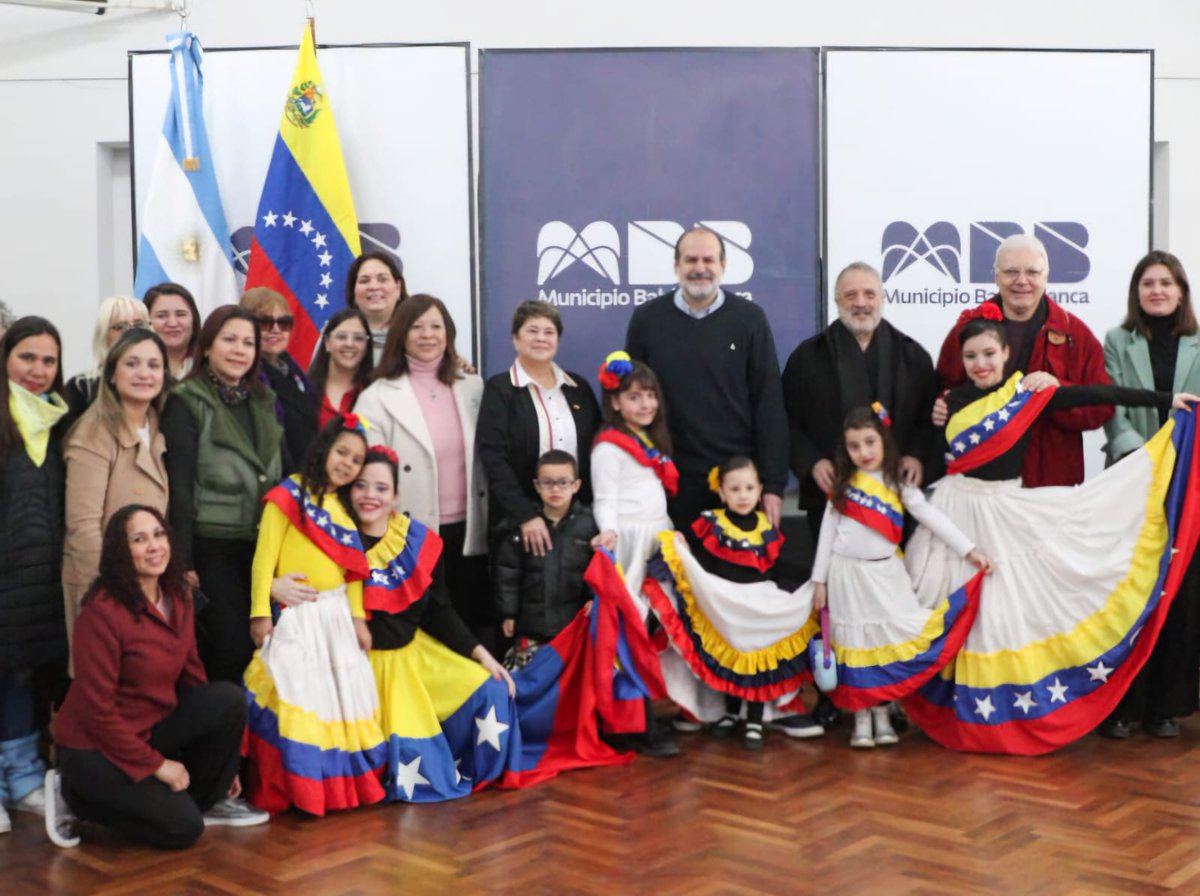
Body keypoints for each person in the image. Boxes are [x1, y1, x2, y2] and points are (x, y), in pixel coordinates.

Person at [904, 309, 1200, 754]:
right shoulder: (952, 401)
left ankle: (1005, 713)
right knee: (944, 611)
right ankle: (952, 707)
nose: (980, 362)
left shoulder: (1028, 392)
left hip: (1006, 514)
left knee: (1001, 619)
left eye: (988, 353)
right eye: (971, 356)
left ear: (1006, 354)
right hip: (953, 515)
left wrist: (1165, 400)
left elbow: (1097, 394)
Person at [48, 505, 267, 850]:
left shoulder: (177, 596)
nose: (154, 545)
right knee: (183, 829)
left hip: (147, 729)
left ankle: (180, 802)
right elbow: (97, 713)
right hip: (93, 748)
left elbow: (194, 677)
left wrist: (224, 768)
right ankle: (76, 798)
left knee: (228, 699)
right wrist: (158, 766)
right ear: (121, 552)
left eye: (159, 534)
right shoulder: (101, 613)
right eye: (139, 539)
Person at [344, 445, 516, 801]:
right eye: (361, 486)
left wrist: (482, 655)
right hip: (355, 671)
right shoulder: (333, 540)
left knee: (491, 689)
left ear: (395, 496)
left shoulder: (417, 542)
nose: (370, 496)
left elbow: (439, 612)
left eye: (381, 488)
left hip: (411, 660)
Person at [811, 408, 990, 749]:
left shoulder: (897, 483)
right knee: (856, 647)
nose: (863, 452)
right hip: (847, 575)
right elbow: (827, 533)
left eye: (869, 442)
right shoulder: (844, 486)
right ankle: (861, 717)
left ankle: (882, 710)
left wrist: (970, 550)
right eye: (854, 446)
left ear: (883, 441)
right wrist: (819, 581)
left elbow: (931, 517)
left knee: (890, 640)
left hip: (887, 575)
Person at [242, 415, 385, 815]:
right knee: (297, 697)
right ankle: (298, 791)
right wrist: (259, 613)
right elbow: (263, 559)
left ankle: (338, 790)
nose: (346, 464)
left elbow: (353, 572)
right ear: (324, 449)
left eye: (356, 460)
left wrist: (358, 620)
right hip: (299, 616)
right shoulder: (289, 495)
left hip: (336, 621)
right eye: (341, 452)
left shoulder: (343, 512)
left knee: (337, 706)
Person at [625, 227, 789, 530]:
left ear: (723, 266)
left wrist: (774, 484)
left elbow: (768, 403)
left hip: (737, 482)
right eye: (690, 260)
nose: (700, 268)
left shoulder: (750, 318)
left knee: (737, 576)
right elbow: (629, 401)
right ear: (677, 266)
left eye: (708, 260)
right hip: (668, 480)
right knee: (673, 574)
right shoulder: (647, 319)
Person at [1100, 250, 1200, 739]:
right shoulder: (1118, 340)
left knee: (1179, 598)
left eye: (1166, 282)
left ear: (1181, 291)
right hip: (1133, 479)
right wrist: (1140, 458)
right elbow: (1112, 403)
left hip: (1190, 489)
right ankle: (1120, 705)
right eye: (1147, 283)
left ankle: (1164, 706)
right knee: (1130, 592)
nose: (1156, 290)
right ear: (1136, 293)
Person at [354, 295, 491, 646]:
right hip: (409, 536)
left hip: (471, 532)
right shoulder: (376, 396)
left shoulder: (472, 386)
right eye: (417, 327)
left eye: (436, 326)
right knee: (427, 637)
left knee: (472, 630)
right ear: (401, 334)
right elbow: (368, 473)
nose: (428, 335)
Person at [161, 305, 283, 684]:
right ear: (208, 345)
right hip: (212, 547)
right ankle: (226, 740)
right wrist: (183, 562)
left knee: (270, 652)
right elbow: (179, 487)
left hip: (265, 546)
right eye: (229, 339)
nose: (239, 350)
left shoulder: (264, 399)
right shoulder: (186, 400)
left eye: (249, 342)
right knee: (229, 650)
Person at [934, 234, 1112, 487]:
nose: (1022, 281)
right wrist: (943, 404)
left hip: (1049, 482)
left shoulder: (1074, 334)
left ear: (1046, 276)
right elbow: (942, 387)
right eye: (1011, 272)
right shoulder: (968, 328)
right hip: (980, 483)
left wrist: (1057, 391)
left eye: (1032, 272)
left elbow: (1101, 407)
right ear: (996, 276)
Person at [783, 262, 941, 542]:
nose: (861, 303)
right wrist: (812, 462)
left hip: (894, 494)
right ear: (836, 301)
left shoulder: (913, 357)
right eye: (850, 295)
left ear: (882, 298)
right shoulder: (807, 358)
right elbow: (785, 420)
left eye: (869, 294)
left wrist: (916, 456)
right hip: (831, 493)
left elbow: (928, 421)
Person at [590, 352, 679, 757]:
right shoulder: (609, 447)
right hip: (629, 548)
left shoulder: (649, 441)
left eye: (650, 396)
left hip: (657, 540)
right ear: (614, 402)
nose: (644, 405)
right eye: (633, 397)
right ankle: (633, 721)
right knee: (631, 633)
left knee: (653, 630)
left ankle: (650, 712)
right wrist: (608, 533)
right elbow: (605, 498)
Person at [0, 317, 68, 835]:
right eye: (27, 357)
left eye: (48, 360)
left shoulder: (58, 420)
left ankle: (23, 778)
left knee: (21, 675)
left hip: (39, 581)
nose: (38, 370)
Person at [62, 328, 169, 657]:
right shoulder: (93, 431)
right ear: (111, 373)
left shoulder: (155, 423)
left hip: (148, 584)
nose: (144, 374)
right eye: (132, 364)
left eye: (153, 365)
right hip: (106, 591)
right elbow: (83, 528)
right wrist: (110, 595)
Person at [478, 302, 600, 556]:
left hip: (577, 524)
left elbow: (596, 451)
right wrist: (525, 515)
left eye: (549, 331)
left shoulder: (579, 388)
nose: (541, 338)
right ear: (515, 338)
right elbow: (493, 458)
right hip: (521, 525)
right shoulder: (500, 389)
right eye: (532, 330)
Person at [494, 449, 598, 668]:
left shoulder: (589, 525)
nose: (556, 489)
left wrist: (593, 598)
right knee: (529, 681)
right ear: (537, 485)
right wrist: (509, 613)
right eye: (548, 482)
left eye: (563, 482)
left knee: (570, 681)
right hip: (531, 625)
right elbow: (508, 572)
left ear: (576, 486)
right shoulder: (522, 528)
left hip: (574, 624)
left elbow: (596, 568)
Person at [240, 286, 319, 471]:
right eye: (265, 322)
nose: (275, 330)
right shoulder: (245, 376)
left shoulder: (293, 371)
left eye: (284, 323)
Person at [62, 296, 151, 430]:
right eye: (120, 326)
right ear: (104, 336)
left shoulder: (162, 384)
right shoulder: (81, 388)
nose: (131, 332)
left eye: (139, 325)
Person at [309, 307, 374, 430]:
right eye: (341, 336)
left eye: (358, 338)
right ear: (327, 343)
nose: (349, 344)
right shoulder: (305, 390)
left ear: (366, 347)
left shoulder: (375, 393)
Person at [346, 252, 408, 353]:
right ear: (353, 291)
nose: (374, 286)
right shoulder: (336, 335)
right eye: (364, 281)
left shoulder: (417, 335)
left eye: (383, 279)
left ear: (398, 288)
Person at [143, 283, 201, 379]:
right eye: (161, 316)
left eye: (181, 314)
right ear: (146, 319)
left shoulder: (209, 365)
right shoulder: (133, 366)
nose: (172, 323)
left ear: (194, 319)